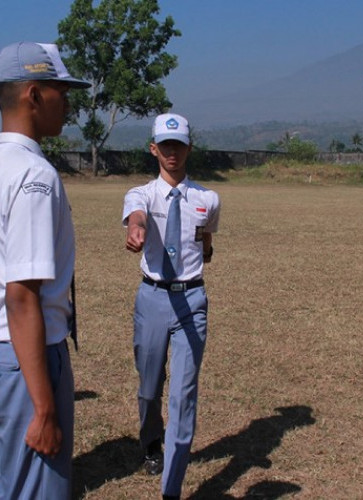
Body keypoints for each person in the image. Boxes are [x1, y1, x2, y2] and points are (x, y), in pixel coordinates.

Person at [0, 41, 89, 499]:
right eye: (61, 90)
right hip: (29, 356)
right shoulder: (33, 176)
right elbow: (23, 296)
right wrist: (44, 407)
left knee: (4, 484)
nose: (69, 102)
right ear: (34, 95)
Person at [123, 113, 221, 500]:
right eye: (165, 146)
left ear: (189, 148)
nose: (172, 153)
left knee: (183, 393)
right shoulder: (143, 193)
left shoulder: (207, 199)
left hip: (192, 300)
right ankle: (151, 443)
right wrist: (136, 226)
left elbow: (206, 238)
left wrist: (206, 251)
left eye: (178, 145)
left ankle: (171, 489)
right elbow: (136, 211)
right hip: (152, 298)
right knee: (150, 389)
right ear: (153, 149)